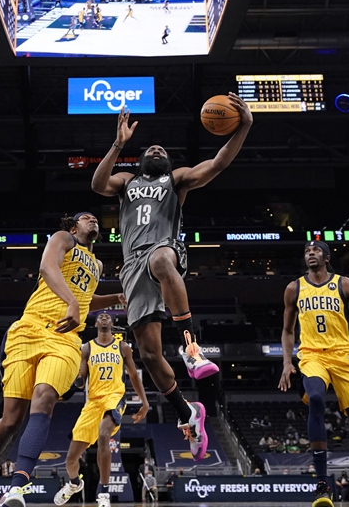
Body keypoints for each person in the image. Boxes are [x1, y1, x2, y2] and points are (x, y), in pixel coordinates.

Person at [90, 98, 253, 460]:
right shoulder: (126, 182)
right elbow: (98, 184)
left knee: (162, 259)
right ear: (140, 160)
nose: (156, 149)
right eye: (151, 148)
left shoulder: (175, 179)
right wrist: (118, 144)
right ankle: (187, 414)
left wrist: (244, 126)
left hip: (165, 248)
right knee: (149, 353)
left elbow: (218, 163)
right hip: (131, 266)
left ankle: (191, 348)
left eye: (162, 150)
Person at [0, 213, 125, 507]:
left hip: (65, 337)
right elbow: (47, 267)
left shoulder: (97, 264)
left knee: (44, 399)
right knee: (11, 420)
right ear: (73, 227)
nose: (92, 219)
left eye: (95, 218)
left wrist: (115, 297)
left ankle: (17, 487)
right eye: (86, 217)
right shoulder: (63, 238)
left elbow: (86, 300)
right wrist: (71, 302)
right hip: (29, 328)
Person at [279, 241, 349, 507]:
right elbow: (288, 330)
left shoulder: (345, 284)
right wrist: (286, 362)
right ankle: (322, 486)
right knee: (316, 398)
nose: (310, 253)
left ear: (327, 257)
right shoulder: (294, 288)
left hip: (344, 357)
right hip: (312, 355)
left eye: (316, 250)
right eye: (307, 251)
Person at [54, 312, 150, 507]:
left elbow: (133, 375)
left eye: (107, 316)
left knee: (104, 435)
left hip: (114, 397)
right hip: (93, 402)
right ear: (96, 324)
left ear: (112, 324)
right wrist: (72, 380)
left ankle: (103, 493)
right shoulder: (87, 348)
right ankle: (74, 484)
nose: (104, 317)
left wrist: (145, 402)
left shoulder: (123, 347)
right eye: (100, 316)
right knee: (71, 459)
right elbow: (81, 380)